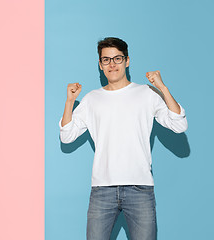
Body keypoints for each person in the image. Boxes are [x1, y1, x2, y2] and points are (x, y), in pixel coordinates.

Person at [59, 37, 188, 240]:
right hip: (102, 190)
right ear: (100, 65)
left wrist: (162, 88)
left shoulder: (146, 93)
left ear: (127, 61)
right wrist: (69, 102)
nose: (112, 64)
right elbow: (67, 136)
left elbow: (179, 124)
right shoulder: (92, 99)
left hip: (140, 188)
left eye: (117, 58)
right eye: (106, 60)